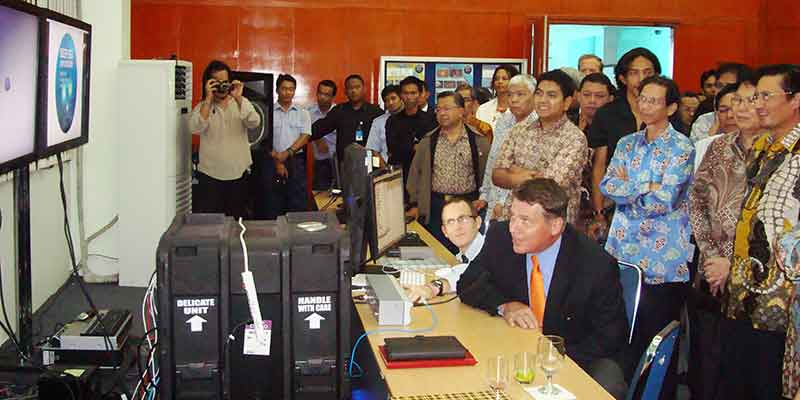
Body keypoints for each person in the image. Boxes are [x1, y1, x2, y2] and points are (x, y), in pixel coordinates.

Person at [458, 178, 628, 399]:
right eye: (512, 217)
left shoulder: (595, 265)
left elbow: (610, 336)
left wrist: (547, 359)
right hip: (516, 350)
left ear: (555, 225)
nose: (513, 228)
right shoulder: (500, 237)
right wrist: (506, 305)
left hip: (574, 357)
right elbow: (468, 283)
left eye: (525, 221)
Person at [599, 76, 694, 396]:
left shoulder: (682, 147)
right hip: (623, 251)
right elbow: (607, 186)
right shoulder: (627, 143)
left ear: (671, 107)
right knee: (620, 335)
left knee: (655, 340)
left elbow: (665, 200)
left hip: (661, 260)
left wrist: (632, 190)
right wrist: (647, 186)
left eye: (655, 100)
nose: (646, 105)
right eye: (643, 98)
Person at [719, 64, 800, 400]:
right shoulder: (765, 147)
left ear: (795, 100)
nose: (758, 104)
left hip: (782, 300)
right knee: (738, 378)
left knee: (767, 382)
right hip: (743, 290)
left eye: (767, 96)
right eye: (755, 97)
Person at [686, 78, 762, 400]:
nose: (740, 109)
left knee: (743, 360)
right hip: (710, 264)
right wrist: (710, 255)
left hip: (752, 273)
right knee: (706, 352)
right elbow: (697, 199)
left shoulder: (777, 153)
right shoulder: (719, 146)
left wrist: (731, 261)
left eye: (749, 101)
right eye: (736, 103)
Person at [588, 48, 685, 243]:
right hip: (622, 226)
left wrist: (628, 186)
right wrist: (649, 185)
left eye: (647, 72)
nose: (640, 78)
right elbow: (607, 182)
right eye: (634, 72)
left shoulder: (681, 142)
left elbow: (667, 197)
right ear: (623, 78)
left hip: (664, 235)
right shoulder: (619, 131)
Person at [492, 70, 588, 225]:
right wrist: (520, 176)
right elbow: (496, 175)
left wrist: (515, 172)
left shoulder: (574, 138)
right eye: (539, 93)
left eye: (551, 95)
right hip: (513, 219)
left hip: (550, 226)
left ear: (567, 102)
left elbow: (549, 186)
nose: (543, 100)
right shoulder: (519, 130)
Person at [406, 91, 489, 254]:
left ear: (461, 111)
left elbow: (488, 176)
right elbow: (415, 175)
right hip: (436, 206)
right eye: (438, 109)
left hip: (467, 205)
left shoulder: (478, 141)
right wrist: (414, 204)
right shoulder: (428, 141)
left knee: (468, 252)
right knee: (438, 253)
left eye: (447, 108)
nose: (442, 113)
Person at [189, 60, 260, 218]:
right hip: (210, 177)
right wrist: (207, 99)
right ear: (208, 84)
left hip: (238, 175)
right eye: (216, 83)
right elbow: (195, 128)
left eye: (225, 82)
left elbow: (255, 122)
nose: (221, 87)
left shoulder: (241, 103)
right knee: (212, 226)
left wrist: (239, 97)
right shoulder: (203, 106)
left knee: (237, 224)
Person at [475, 74, 538, 223]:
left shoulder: (539, 125)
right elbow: (493, 158)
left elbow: (527, 172)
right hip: (494, 199)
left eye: (520, 94)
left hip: (522, 203)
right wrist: (484, 194)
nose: (514, 99)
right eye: (510, 94)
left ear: (535, 96)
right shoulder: (505, 120)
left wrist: (503, 202)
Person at [405, 196, 485, 302]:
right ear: (445, 231)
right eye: (451, 222)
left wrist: (433, 287)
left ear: (478, 222)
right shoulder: (462, 255)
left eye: (463, 219)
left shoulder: (488, 250)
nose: (458, 227)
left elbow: (470, 273)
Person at [265, 73, 311, 218]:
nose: (287, 92)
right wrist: (277, 160)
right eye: (284, 88)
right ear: (277, 90)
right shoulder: (268, 112)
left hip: (295, 162)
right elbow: (264, 139)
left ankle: (296, 238)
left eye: (291, 89)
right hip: (271, 161)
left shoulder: (303, 113)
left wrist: (287, 153)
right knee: (272, 203)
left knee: (297, 203)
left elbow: (305, 136)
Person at [311, 74, 384, 160]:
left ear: (364, 89)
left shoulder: (376, 112)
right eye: (350, 88)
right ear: (345, 91)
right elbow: (318, 129)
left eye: (357, 87)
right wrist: (301, 135)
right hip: (345, 163)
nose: (353, 90)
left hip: (370, 162)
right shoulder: (339, 111)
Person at [386, 76, 438, 183]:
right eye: (405, 93)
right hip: (399, 174)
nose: (409, 97)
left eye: (413, 93)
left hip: (425, 174)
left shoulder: (432, 119)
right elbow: (393, 148)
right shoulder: (392, 121)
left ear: (419, 94)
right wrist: (414, 146)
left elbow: (432, 147)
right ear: (401, 95)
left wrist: (413, 146)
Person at [692, 85, 740, 165]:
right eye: (723, 110)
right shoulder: (703, 146)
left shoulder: (760, 146)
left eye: (735, 109)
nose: (729, 115)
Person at [309, 80, 337, 190]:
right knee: (320, 197)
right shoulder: (308, 112)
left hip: (338, 162)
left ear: (333, 97)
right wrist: (317, 137)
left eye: (327, 95)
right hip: (320, 163)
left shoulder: (339, 112)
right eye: (320, 93)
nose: (322, 97)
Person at [364, 85, 403, 163]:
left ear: (401, 98)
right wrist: (385, 169)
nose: (390, 103)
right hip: (386, 169)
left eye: (393, 98)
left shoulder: (412, 118)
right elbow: (373, 151)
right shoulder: (378, 122)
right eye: (386, 100)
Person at [477, 64, 519, 131]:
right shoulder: (483, 109)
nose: (500, 81)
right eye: (496, 79)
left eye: (504, 79)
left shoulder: (519, 109)